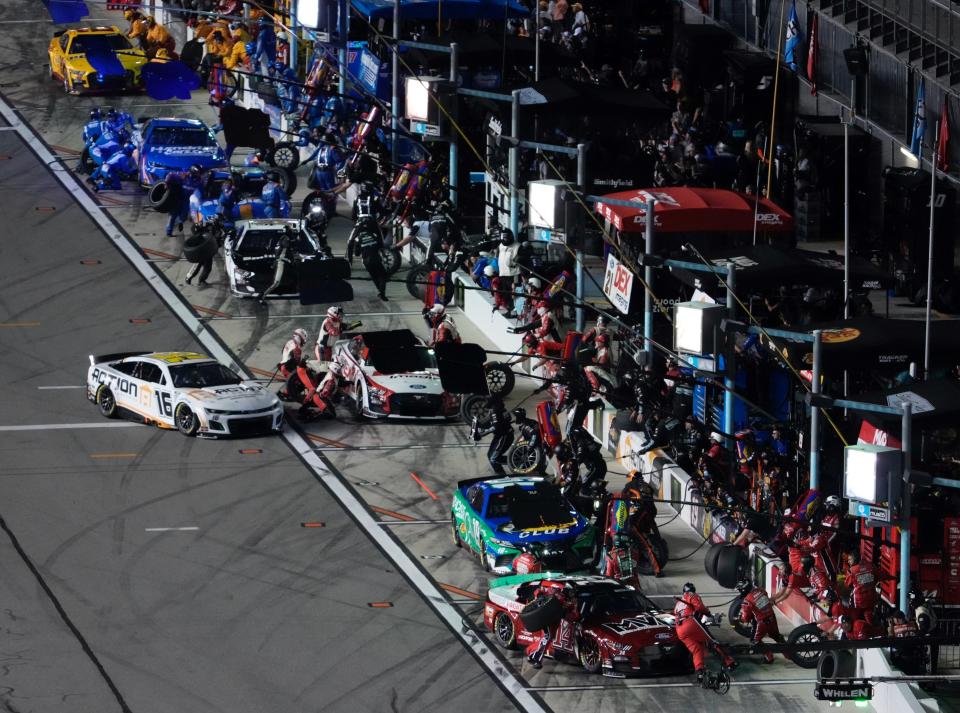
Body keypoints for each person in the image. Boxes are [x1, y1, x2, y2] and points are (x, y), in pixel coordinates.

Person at [673, 582, 737, 682]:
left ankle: (700, 672)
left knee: (697, 649)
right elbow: (699, 607)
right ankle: (729, 663)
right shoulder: (691, 595)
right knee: (712, 641)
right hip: (690, 623)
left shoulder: (678, 603)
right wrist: (708, 613)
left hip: (679, 630)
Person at [526, 581, 578, 669]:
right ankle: (535, 658)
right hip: (547, 617)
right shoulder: (553, 589)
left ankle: (531, 654)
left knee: (549, 637)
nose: (571, 593)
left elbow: (574, 615)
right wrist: (539, 598)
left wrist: (567, 613)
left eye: (572, 592)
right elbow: (538, 592)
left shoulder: (571, 600)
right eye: (570, 591)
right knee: (548, 636)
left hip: (556, 620)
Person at [736, 580, 785, 663]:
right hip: (772, 617)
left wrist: (739, 618)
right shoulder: (761, 590)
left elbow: (746, 619)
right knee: (776, 636)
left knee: (754, 641)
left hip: (762, 623)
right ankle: (789, 653)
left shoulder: (746, 602)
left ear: (743, 590)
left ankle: (769, 657)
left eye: (740, 590)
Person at [347, 213, 389, 300]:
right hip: (376, 258)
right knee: (383, 276)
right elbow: (380, 245)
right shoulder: (375, 235)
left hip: (366, 261)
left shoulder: (358, 238)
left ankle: (380, 292)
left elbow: (357, 253)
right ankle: (382, 294)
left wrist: (351, 258)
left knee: (374, 276)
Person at [472, 396, 514, 475]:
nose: (485, 403)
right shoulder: (496, 409)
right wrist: (480, 426)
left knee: (493, 458)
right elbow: (493, 422)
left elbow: (495, 427)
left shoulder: (495, 410)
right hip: (501, 435)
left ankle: (502, 475)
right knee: (490, 456)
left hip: (504, 436)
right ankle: (514, 463)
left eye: (486, 400)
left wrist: (482, 434)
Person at [259, 226, 295, 304]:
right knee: (276, 282)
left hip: (282, 262)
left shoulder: (282, 239)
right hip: (280, 263)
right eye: (290, 231)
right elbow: (288, 245)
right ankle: (262, 296)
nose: (291, 232)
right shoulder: (285, 239)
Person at [845, 550, 879, 624]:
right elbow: (876, 578)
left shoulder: (851, 571)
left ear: (855, 559)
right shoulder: (870, 566)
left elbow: (848, 584)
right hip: (871, 599)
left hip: (858, 602)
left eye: (850, 559)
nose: (848, 562)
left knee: (854, 620)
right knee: (870, 620)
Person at [497, 228, 520, 317]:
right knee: (505, 294)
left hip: (513, 274)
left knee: (513, 293)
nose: (505, 239)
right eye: (503, 237)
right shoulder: (500, 245)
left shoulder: (517, 246)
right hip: (503, 274)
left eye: (506, 237)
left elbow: (520, 260)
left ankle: (515, 312)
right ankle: (509, 310)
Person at [163, 168, 191, 237]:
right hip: (175, 200)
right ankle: (169, 231)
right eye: (184, 174)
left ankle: (180, 222)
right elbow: (169, 176)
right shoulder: (174, 176)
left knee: (184, 215)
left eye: (187, 174)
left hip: (184, 200)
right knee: (172, 217)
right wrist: (166, 184)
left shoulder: (189, 179)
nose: (185, 175)